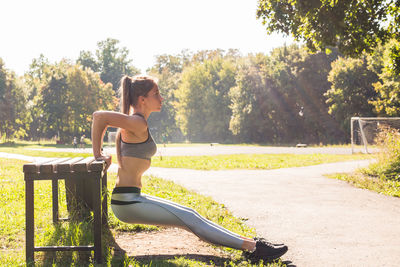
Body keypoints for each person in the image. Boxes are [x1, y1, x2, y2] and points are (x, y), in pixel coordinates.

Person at [91, 75, 288, 263]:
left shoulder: (137, 122)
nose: (162, 98)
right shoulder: (137, 122)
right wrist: (98, 154)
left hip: (132, 198)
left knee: (190, 213)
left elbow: (103, 120)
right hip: (127, 203)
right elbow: (99, 117)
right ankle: (253, 248)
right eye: (157, 94)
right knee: (188, 219)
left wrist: (100, 154)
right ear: (142, 99)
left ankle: (252, 243)